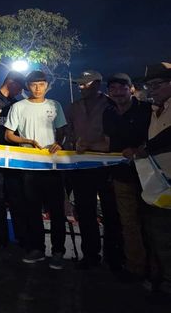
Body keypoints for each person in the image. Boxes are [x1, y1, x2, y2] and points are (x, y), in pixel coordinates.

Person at [4, 70, 68, 270]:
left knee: (57, 210)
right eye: (33, 84)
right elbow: (8, 135)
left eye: (41, 84)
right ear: (27, 86)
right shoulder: (18, 107)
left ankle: (58, 251)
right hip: (29, 165)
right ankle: (37, 248)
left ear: (47, 85)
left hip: (52, 166)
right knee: (32, 209)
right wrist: (27, 141)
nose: (38, 88)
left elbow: (62, 130)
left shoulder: (55, 105)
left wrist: (59, 143)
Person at [67, 70, 122, 270]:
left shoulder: (111, 105)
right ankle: (90, 255)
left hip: (106, 166)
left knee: (110, 212)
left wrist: (92, 145)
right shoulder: (74, 107)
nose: (81, 87)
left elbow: (116, 137)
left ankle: (113, 256)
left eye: (86, 84)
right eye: (80, 84)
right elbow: (69, 132)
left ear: (97, 84)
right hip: (81, 166)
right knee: (85, 211)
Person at [124, 62, 171, 294]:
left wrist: (145, 149)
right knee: (159, 235)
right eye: (149, 85)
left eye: (157, 84)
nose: (152, 89)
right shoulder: (153, 110)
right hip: (159, 185)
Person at [103, 73, 151, 281]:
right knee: (129, 223)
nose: (117, 92)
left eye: (122, 87)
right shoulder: (108, 113)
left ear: (131, 89)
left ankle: (157, 270)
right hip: (122, 176)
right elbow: (108, 143)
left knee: (153, 223)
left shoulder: (147, 110)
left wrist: (139, 150)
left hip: (150, 175)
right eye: (113, 88)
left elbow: (155, 139)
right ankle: (136, 267)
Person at [0, 71, 27, 247]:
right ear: (10, 82)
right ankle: (0, 237)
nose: (20, 91)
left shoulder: (16, 104)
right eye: (19, 87)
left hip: (12, 157)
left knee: (16, 197)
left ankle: (21, 236)